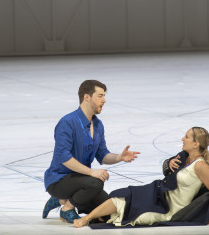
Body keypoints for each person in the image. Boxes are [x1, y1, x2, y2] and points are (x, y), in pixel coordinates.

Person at [74, 127, 209, 228]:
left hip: (167, 207)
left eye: (186, 137)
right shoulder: (184, 156)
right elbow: (168, 172)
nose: (182, 138)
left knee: (127, 202)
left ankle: (87, 218)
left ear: (195, 144)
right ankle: (91, 216)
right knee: (124, 193)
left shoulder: (201, 166)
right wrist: (168, 163)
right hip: (159, 192)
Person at [43, 80, 140, 223]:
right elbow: (63, 157)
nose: (104, 100)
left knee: (108, 212)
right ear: (86, 97)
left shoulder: (98, 125)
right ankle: (67, 208)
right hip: (59, 180)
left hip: (82, 181)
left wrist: (120, 157)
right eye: (100, 96)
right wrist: (91, 172)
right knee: (95, 182)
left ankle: (63, 199)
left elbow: (103, 155)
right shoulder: (67, 122)